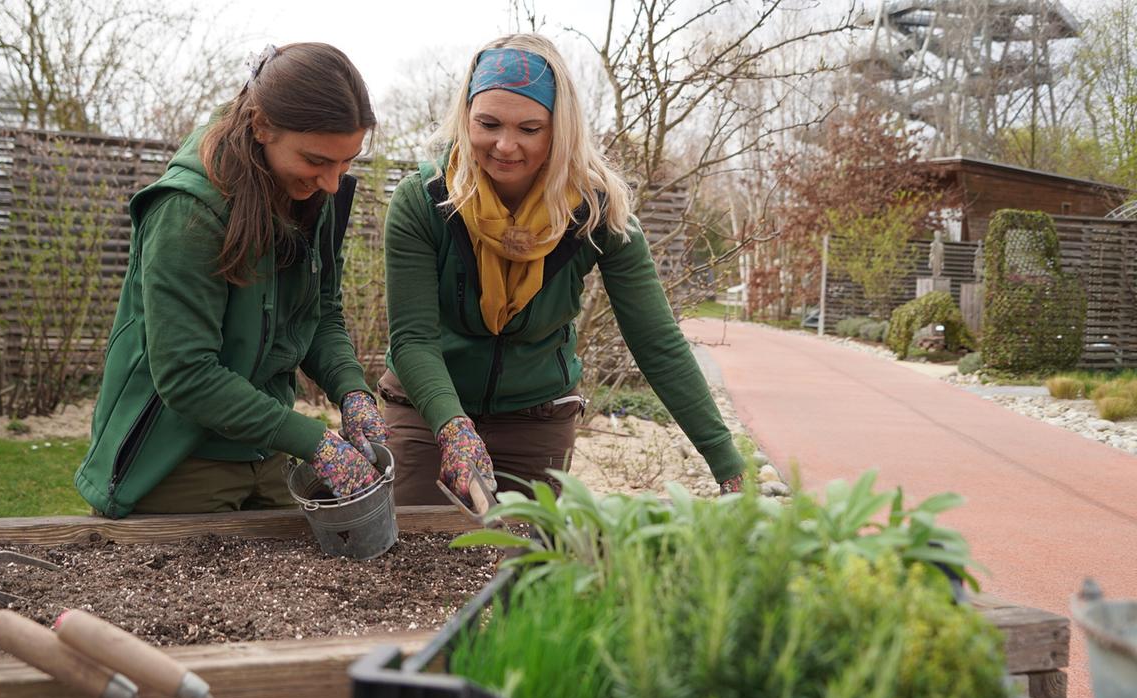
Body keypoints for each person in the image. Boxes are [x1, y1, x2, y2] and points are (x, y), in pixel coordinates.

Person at [380, 33, 744, 507]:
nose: (505, 145)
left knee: (528, 568)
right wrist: (453, 427)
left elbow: (656, 341)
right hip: (425, 414)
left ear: (560, 129)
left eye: (530, 129)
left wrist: (727, 464)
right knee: (416, 560)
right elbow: (413, 339)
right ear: (465, 117)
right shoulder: (425, 200)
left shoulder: (597, 213)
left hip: (535, 420)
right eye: (487, 123)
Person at [75, 43, 387, 518]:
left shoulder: (313, 195)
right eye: (316, 160)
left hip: (268, 452)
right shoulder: (187, 212)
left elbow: (320, 313)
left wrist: (352, 390)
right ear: (261, 125)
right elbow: (187, 374)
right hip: (177, 458)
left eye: (346, 162)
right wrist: (316, 442)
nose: (331, 182)